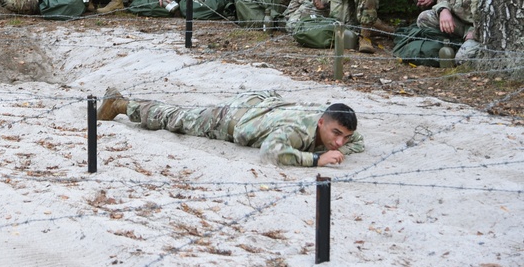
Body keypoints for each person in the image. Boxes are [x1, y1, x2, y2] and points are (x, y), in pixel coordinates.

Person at [96, 88, 364, 168]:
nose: (340, 142)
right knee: (176, 118)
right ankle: (120, 104)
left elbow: (358, 141)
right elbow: (271, 152)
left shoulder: (331, 124)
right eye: (336, 134)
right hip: (232, 119)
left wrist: (338, 146)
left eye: (345, 137)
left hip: (261, 105)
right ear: (321, 122)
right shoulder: (297, 130)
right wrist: (317, 159)